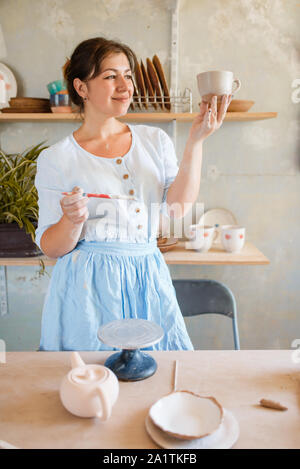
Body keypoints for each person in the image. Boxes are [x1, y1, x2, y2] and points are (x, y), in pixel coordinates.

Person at [35, 37, 232, 351]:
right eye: (110, 76)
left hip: (147, 277)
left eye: (128, 75)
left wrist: (196, 141)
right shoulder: (56, 159)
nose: (125, 85)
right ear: (81, 87)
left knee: (156, 374)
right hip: (86, 289)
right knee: (91, 378)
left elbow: (177, 208)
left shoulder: (154, 141)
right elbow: (50, 247)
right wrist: (71, 221)